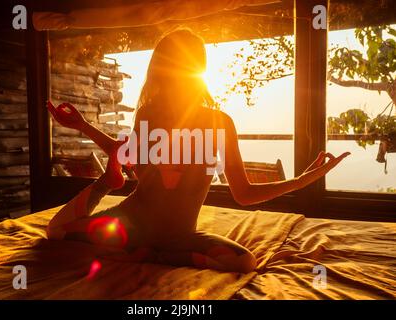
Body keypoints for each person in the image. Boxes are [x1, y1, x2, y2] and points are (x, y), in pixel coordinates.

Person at [46, 29, 350, 273]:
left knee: (243, 261)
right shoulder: (149, 114)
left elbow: (242, 193)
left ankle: (156, 255)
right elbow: (128, 158)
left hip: (179, 235)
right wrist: (83, 126)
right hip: (131, 221)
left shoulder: (220, 123)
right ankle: (112, 195)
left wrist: (302, 180)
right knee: (56, 232)